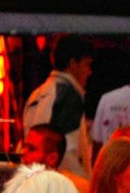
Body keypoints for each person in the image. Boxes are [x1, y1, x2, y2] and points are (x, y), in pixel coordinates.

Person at [23, 42, 98, 174]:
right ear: (73, 63)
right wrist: (83, 186)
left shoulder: (36, 95)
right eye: (87, 64)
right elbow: (68, 152)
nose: (90, 72)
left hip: (34, 176)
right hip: (59, 182)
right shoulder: (69, 96)